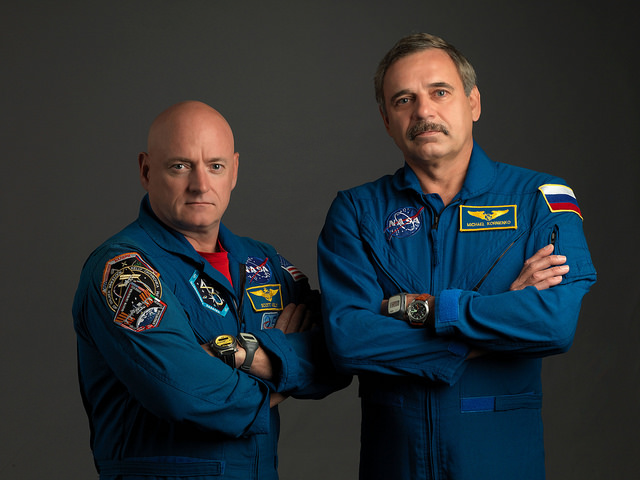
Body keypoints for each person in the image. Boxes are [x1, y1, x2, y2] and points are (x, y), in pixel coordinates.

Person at [317, 33, 596, 480]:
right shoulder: (357, 211)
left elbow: (553, 324)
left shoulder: (540, 199)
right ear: (387, 120)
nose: (423, 111)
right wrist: (499, 311)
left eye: (439, 92)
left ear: (473, 104)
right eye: (404, 99)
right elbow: (349, 340)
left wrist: (430, 310)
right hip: (395, 465)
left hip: (499, 463)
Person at [73, 101, 348, 480]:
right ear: (146, 170)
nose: (200, 184)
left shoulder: (262, 261)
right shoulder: (123, 271)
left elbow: (340, 351)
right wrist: (283, 369)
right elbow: (184, 394)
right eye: (180, 166)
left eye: (215, 166)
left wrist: (243, 356)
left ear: (234, 171)